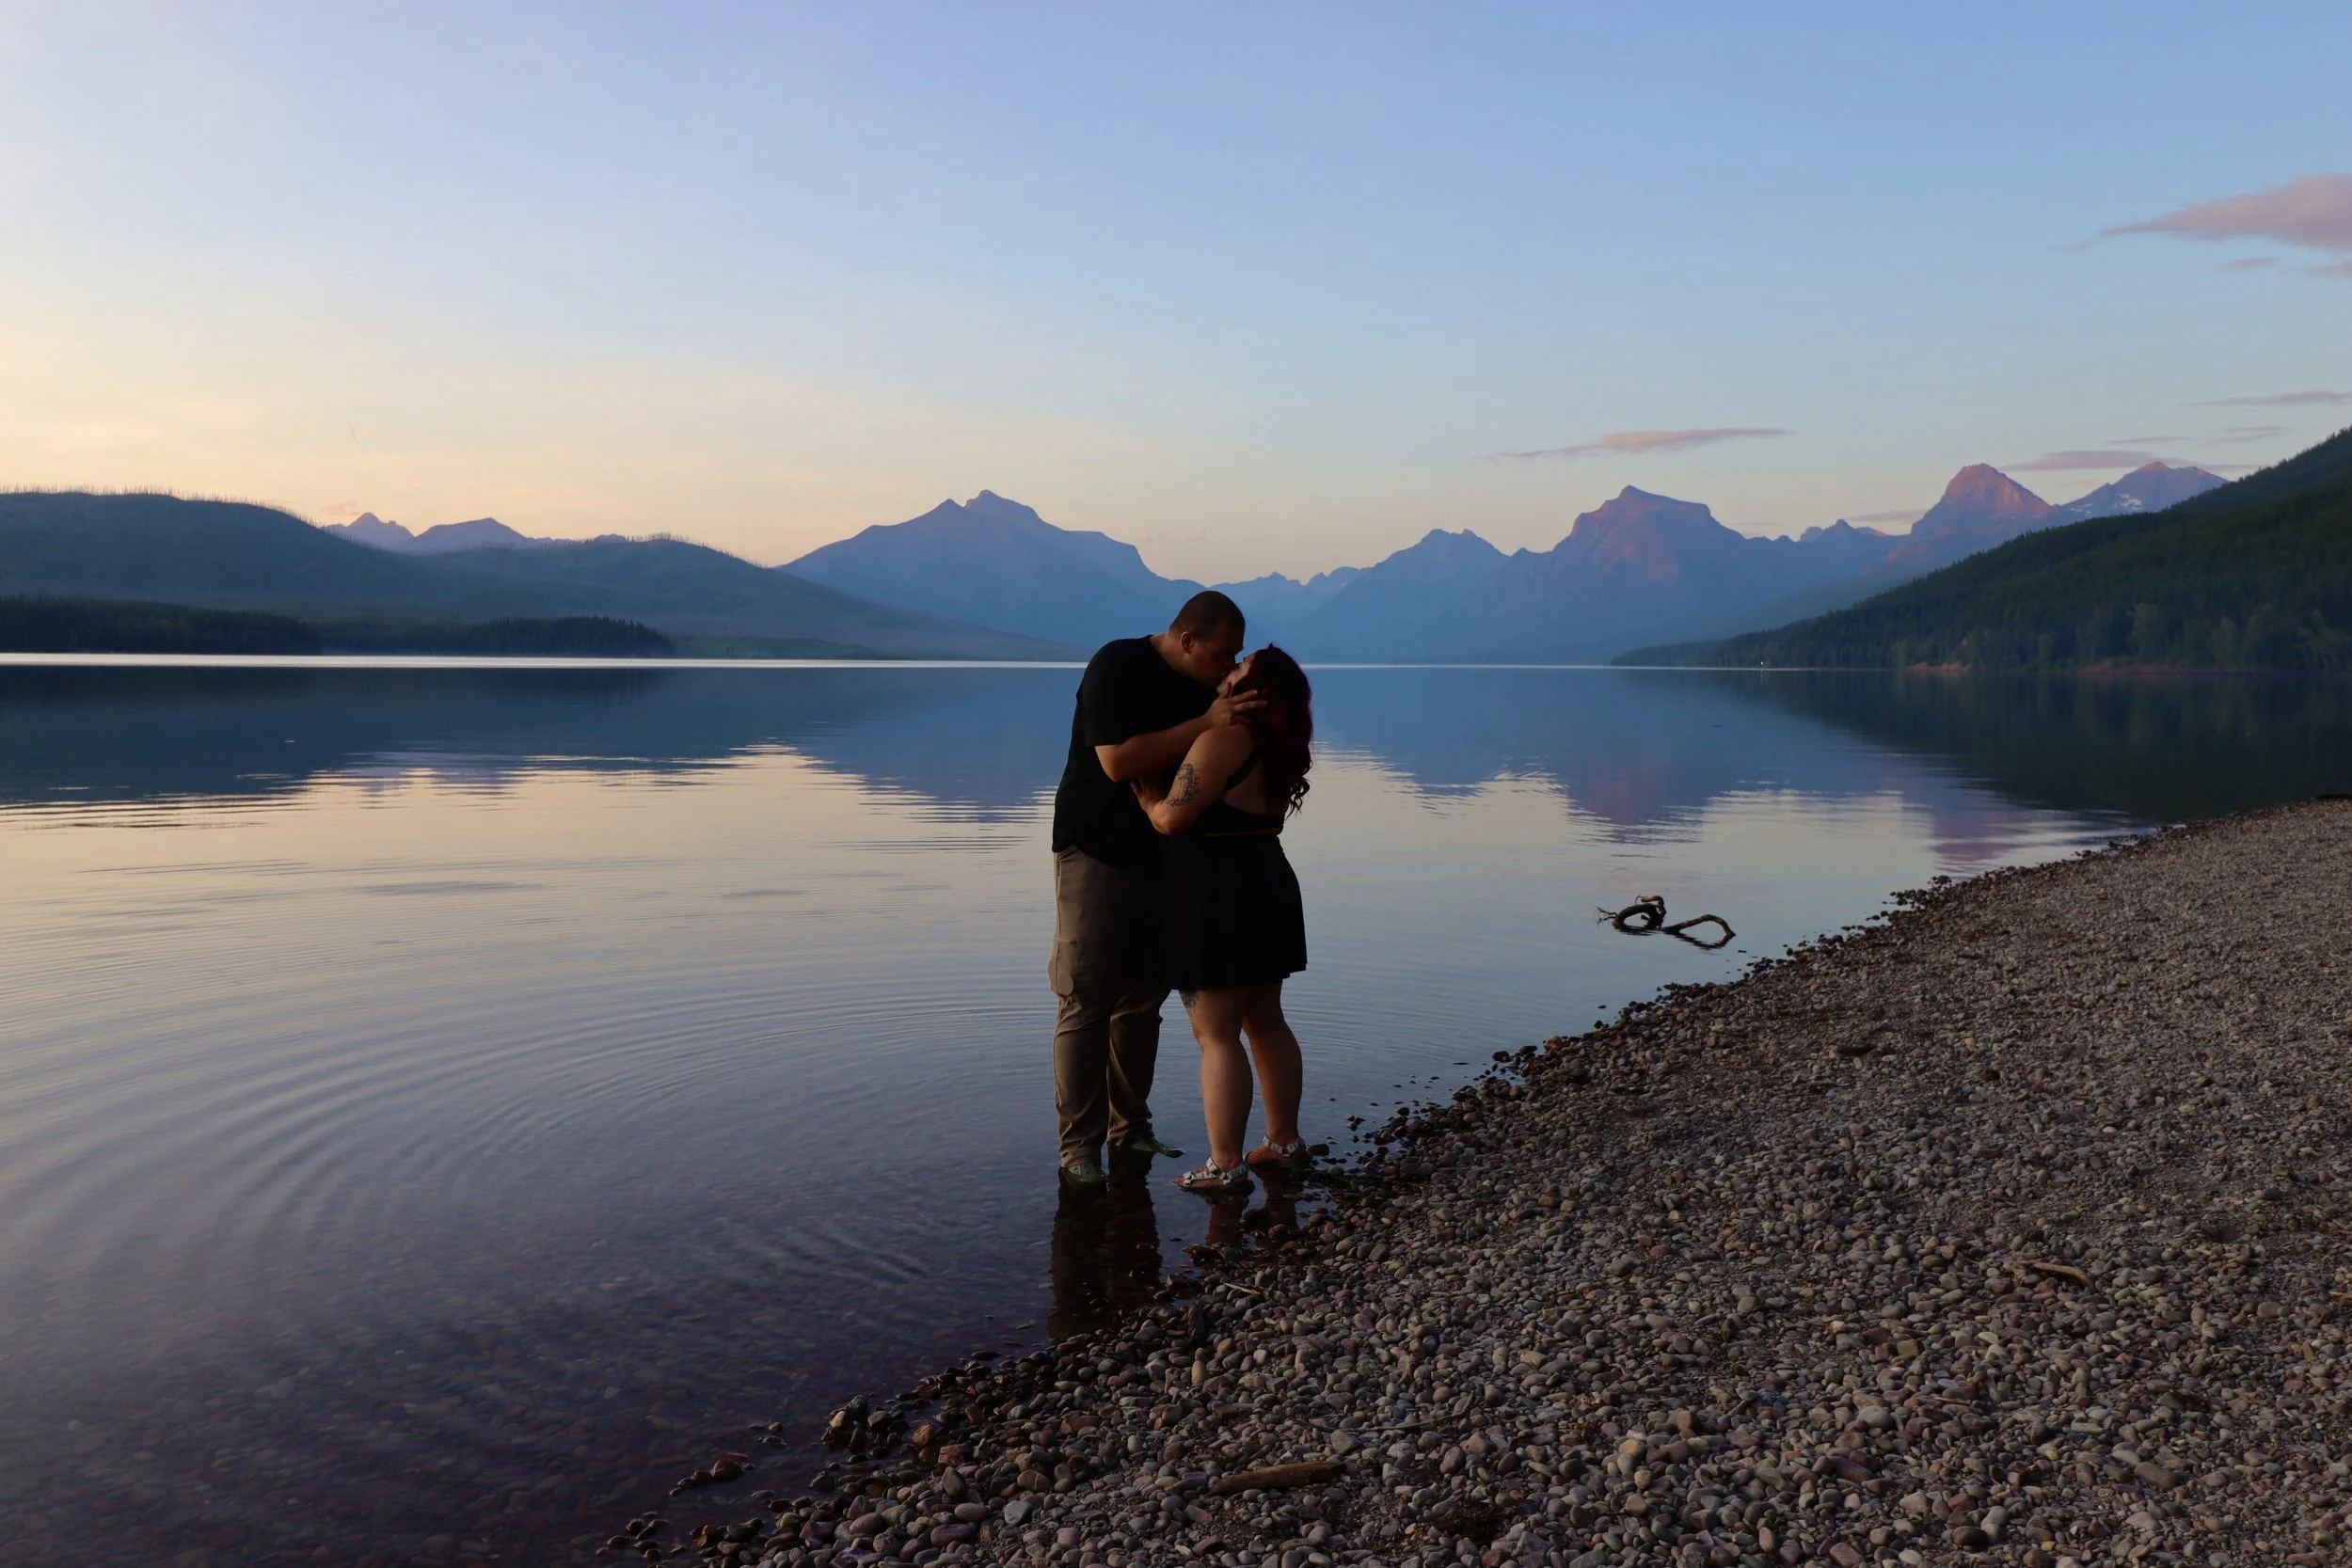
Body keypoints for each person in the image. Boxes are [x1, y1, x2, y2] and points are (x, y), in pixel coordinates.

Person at [1047, 591, 1263, 1186]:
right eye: (1222, 654)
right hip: (1095, 850)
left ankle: (1130, 1128)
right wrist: (1207, 722)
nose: (1228, 666)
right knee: (1086, 1001)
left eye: (1235, 656)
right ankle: (1079, 1151)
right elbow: (1117, 762)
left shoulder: (1207, 686)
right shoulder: (1117, 666)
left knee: (1143, 1004)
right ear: (1187, 639)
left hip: (1169, 859)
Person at [1135, 646, 1313, 1195]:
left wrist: (1145, 794)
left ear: (1251, 690)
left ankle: (1224, 1163)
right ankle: (1283, 1142)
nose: (1229, 669)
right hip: (1268, 881)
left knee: (1214, 1034)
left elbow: (1171, 817)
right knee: (1266, 1019)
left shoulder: (1221, 742)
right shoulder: (1279, 745)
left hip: (1215, 892)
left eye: (1240, 667)